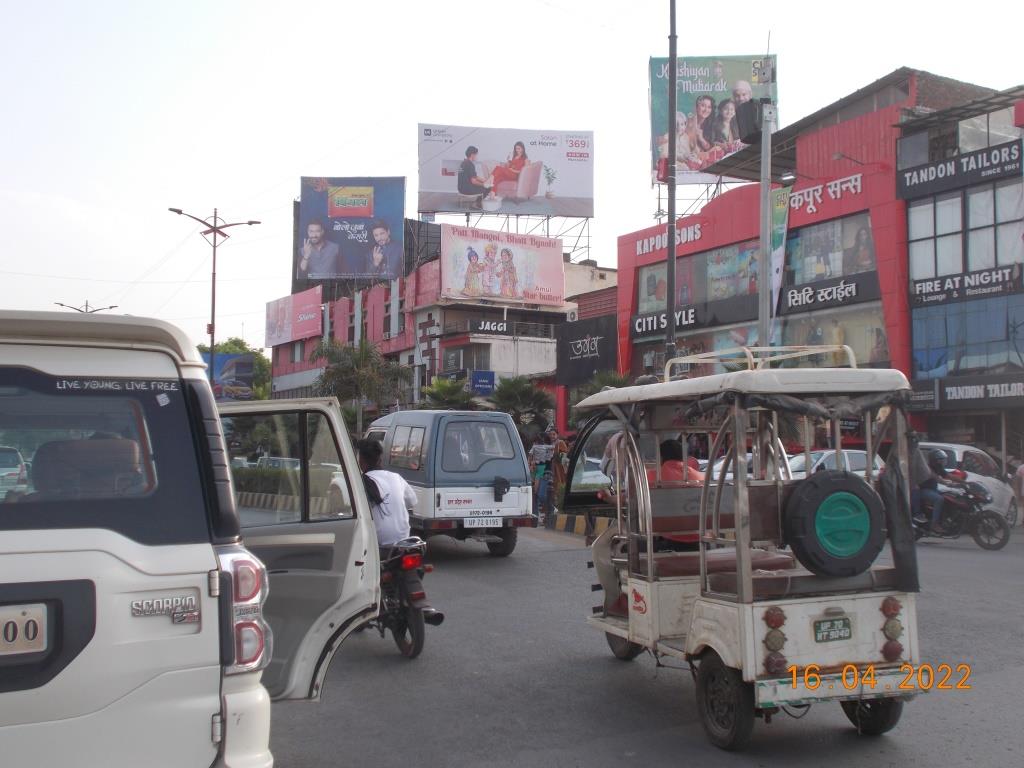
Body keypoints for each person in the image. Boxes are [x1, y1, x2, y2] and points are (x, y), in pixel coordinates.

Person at [356, 438, 415, 547]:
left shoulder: (359, 482)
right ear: (380, 459)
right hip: (403, 541)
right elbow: (411, 502)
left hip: (376, 545)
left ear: (361, 460)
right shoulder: (396, 477)